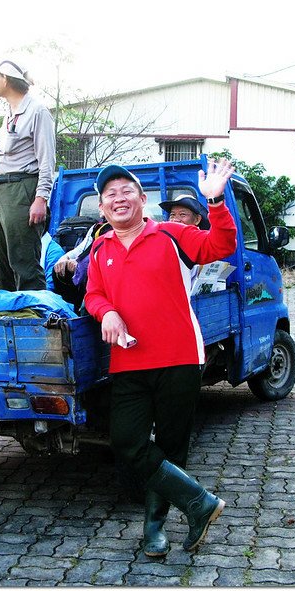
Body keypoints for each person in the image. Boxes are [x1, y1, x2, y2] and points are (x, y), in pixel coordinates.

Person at [84, 158, 238, 556]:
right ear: (102, 208)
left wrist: (216, 200)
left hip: (179, 357)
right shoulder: (100, 250)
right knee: (127, 442)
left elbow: (221, 245)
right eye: (110, 195)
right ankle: (199, 502)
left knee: (172, 445)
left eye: (125, 191)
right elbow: (93, 295)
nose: (118, 199)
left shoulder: (172, 234)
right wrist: (108, 312)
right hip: (128, 362)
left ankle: (155, 529)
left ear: (143, 199)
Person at [0, 59, 56, 292]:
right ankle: (7, 313)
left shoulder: (37, 111)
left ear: (4, 79)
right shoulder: (9, 114)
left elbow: (47, 160)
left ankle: (34, 320)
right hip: (0, 187)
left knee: (23, 259)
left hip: (23, 186)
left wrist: (41, 198)